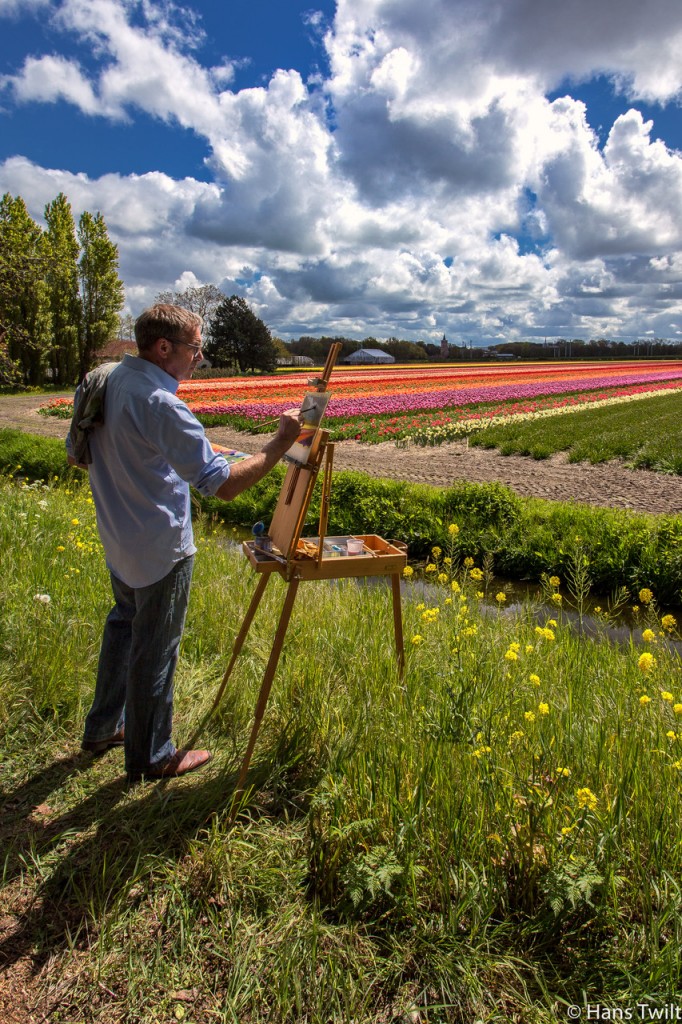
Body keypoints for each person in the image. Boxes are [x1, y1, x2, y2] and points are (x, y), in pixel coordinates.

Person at [66, 304, 300, 782]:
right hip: (160, 546)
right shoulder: (162, 404)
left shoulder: (102, 379)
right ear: (164, 348)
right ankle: (152, 755)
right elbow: (223, 486)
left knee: (123, 628)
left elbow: (81, 455)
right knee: (156, 649)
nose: (200, 357)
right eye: (195, 347)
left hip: (117, 531)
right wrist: (278, 444)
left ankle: (102, 728)